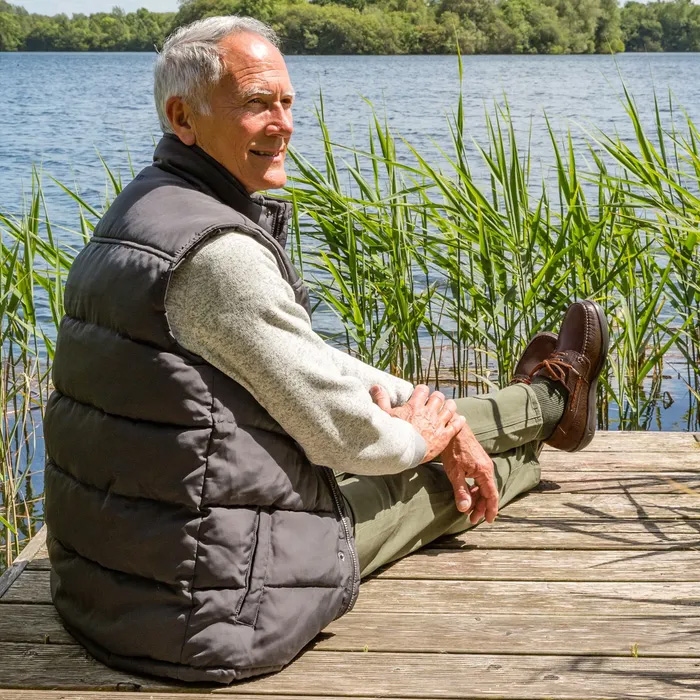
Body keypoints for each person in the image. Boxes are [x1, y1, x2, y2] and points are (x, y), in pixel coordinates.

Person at [43, 16, 609, 685]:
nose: (282, 122)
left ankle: (546, 402)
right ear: (182, 116)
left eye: (286, 101)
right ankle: (540, 428)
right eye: (257, 103)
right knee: (423, 469)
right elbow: (348, 437)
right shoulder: (217, 257)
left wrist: (440, 424)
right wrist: (431, 442)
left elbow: (308, 362)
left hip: (112, 584)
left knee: (421, 428)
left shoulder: (143, 213)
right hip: (210, 608)